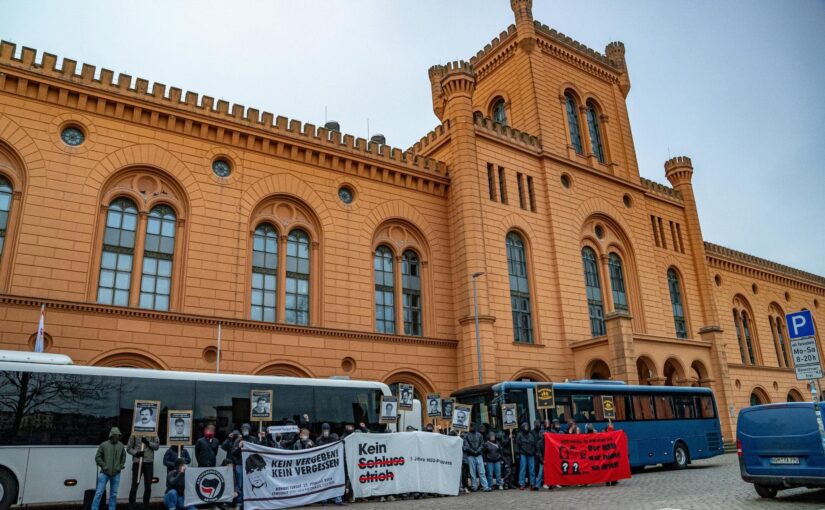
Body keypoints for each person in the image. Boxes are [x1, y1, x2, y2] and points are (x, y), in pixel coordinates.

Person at [92, 427, 127, 510]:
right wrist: (104, 466)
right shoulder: (103, 445)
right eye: (115, 435)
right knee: (99, 493)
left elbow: (124, 456)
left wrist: (120, 466)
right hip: (104, 473)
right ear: (111, 435)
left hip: (116, 473)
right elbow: (97, 457)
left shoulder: (121, 445)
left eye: (118, 435)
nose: (117, 437)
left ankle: (112, 508)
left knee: (114, 494)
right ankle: (94, 508)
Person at [127, 433, 159, 510]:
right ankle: (131, 505)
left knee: (148, 486)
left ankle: (146, 505)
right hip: (137, 462)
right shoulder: (134, 433)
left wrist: (148, 443)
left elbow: (157, 446)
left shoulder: (153, 432)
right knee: (134, 485)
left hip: (148, 462)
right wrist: (136, 453)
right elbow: (128, 448)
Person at [462, 423, 490, 492]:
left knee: (482, 472)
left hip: (477, 455)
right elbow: (466, 446)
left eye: (473, 426)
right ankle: (474, 486)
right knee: (472, 473)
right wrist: (475, 451)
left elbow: (482, 444)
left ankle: (485, 486)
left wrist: (477, 451)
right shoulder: (466, 435)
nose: (472, 428)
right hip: (471, 456)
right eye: (471, 426)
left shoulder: (479, 435)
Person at [515, 422, 536, 490]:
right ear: (522, 427)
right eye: (525, 426)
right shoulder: (519, 435)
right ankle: (522, 483)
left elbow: (534, 444)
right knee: (523, 469)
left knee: (532, 469)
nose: (526, 428)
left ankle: (532, 483)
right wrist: (517, 454)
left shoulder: (531, 435)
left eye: (527, 426)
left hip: (531, 454)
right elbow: (517, 445)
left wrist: (533, 451)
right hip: (523, 453)